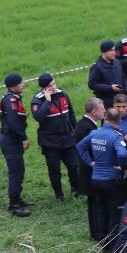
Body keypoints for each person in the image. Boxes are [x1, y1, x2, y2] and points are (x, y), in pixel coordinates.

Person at [76, 107, 127, 249]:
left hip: (96, 178)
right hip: (111, 179)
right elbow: (122, 154)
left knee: (101, 210)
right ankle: (113, 244)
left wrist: (91, 162)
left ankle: (102, 241)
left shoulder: (95, 133)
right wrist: (122, 168)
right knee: (114, 211)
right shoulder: (116, 137)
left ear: (105, 119)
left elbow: (80, 146)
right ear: (119, 121)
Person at [30, 73, 79, 203]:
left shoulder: (63, 94)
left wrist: (77, 131)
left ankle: (76, 189)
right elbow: (38, 117)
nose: (53, 87)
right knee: (54, 169)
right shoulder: (37, 100)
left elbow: (71, 113)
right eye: (49, 86)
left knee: (74, 166)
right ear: (44, 88)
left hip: (68, 138)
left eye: (54, 83)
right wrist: (47, 101)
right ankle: (59, 195)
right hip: (50, 142)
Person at [0, 73, 32, 216]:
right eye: (20, 82)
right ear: (13, 86)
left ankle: (17, 198)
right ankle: (14, 205)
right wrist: (24, 138)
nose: (23, 84)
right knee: (16, 172)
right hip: (10, 140)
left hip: (13, 139)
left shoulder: (13, 98)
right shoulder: (11, 100)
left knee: (19, 169)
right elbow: (13, 123)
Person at [75, 98, 106, 240]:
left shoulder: (84, 124)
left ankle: (96, 232)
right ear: (94, 112)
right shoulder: (87, 128)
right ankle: (97, 233)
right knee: (95, 204)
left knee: (94, 203)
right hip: (90, 172)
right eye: (102, 108)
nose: (104, 110)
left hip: (87, 171)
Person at [88, 40, 127, 109]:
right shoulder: (97, 67)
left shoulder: (117, 62)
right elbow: (92, 84)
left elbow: (123, 77)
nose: (114, 53)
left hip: (121, 99)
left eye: (114, 50)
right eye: (111, 51)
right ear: (103, 52)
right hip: (107, 102)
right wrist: (110, 87)